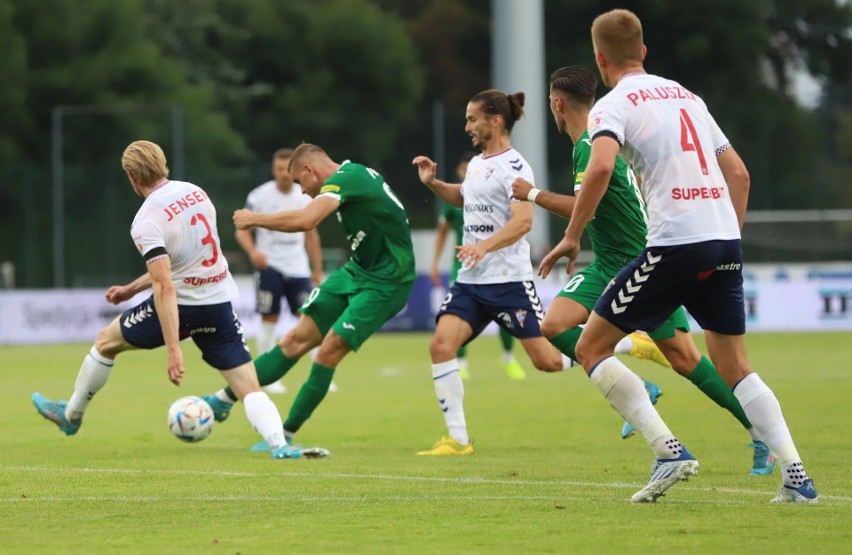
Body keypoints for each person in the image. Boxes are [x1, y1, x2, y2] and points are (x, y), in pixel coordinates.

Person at [539, 9, 816, 503]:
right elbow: (741, 175)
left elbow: (601, 168)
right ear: (643, 51)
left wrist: (572, 236)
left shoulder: (613, 105)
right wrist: (727, 237)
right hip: (723, 241)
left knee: (590, 349)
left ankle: (670, 451)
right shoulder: (689, 96)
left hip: (674, 245)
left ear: (600, 60)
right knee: (736, 367)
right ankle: (796, 477)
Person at [512, 65, 776, 476]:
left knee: (687, 360)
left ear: (557, 104)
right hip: (606, 262)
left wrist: (530, 194)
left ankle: (758, 431)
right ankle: (642, 385)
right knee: (555, 325)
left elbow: (588, 205)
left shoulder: (591, 145)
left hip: (642, 260)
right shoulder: (597, 141)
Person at [31, 140, 305, 460]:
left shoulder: (146, 221)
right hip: (218, 304)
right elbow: (184, 261)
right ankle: (280, 446)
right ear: (164, 165)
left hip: (182, 307)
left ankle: (71, 416)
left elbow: (165, 287)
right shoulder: (196, 192)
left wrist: (174, 349)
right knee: (248, 387)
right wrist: (132, 289)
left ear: (132, 176)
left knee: (106, 342)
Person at [201, 143, 416, 452]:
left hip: (389, 281)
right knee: (293, 340)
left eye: (301, 183)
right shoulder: (350, 177)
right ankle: (222, 400)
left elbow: (306, 221)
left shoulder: (346, 178)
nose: (301, 191)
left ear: (309, 170)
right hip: (358, 270)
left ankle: (286, 434)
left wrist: (254, 219)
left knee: (328, 349)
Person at [413, 89, 577, 457]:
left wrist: (482, 247)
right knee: (440, 345)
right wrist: (433, 184)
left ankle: (624, 345)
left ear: (496, 120)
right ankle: (458, 439)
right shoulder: (477, 163)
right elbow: (463, 198)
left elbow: (523, 223)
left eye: (473, 119)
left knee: (548, 361)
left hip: (508, 282)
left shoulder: (516, 167)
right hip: (471, 283)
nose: (467, 126)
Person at [430, 151, 527, 381]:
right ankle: (461, 363)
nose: (466, 173)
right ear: (459, 171)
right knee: (457, 316)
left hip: (497, 263)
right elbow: (442, 233)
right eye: (463, 170)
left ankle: (508, 358)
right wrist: (434, 263)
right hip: (463, 265)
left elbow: (517, 221)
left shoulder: (491, 193)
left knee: (507, 316)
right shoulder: (455, 200)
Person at [236, 148, 326, 394]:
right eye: (278, 169)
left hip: (298, 267)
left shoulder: (304, 194)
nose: (283, 175)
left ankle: (318, 374)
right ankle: (268, 376)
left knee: (311, 319)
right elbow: (242, 229)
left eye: (287, 170)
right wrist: (253, 252)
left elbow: (311, 234)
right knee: (268, 320)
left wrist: (316, 267)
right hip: (270, 267)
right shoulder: (259, 196)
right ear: (273, 170)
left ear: (293, 171)